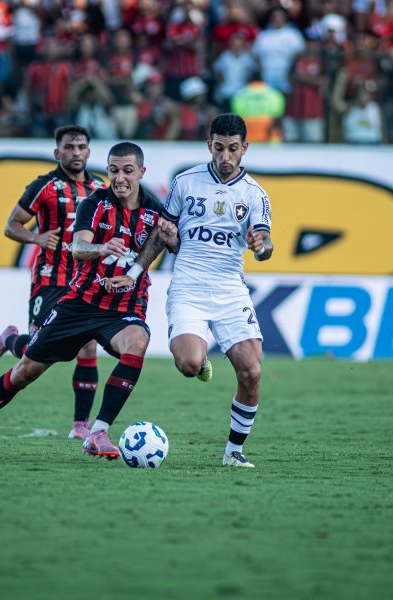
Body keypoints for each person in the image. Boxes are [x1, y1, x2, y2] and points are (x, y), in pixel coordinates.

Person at [0, 142, 176, 460]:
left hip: (123, 307)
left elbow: (161, 241)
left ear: (141, 172)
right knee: (24, 373)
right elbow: (78, 248)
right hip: (80, 303)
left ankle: (98, 430)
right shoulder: (95, 203)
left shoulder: (154, 209)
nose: (120, 178)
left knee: (137, 341)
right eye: (114, 170)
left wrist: (166, 243)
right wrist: (103, 248)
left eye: (128, 171)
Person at [106, 113, 273, 469]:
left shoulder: (255, 195)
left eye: (232, 149)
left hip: (230, 291)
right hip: (189, 288)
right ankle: (200, 358)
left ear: (244, 148)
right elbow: (163, 233)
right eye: (218, 148)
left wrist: (260, 246)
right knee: (188, 363)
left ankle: (234, 451)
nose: (225, 157)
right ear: (208, 145)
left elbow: (265, 245)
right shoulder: (185, 182)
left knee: (251, 372)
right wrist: (135, 271)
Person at [0, 126, 107, 441]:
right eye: (69, 147)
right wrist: (37, 237)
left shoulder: (99, 187)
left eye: (81, 146)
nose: (76, 152)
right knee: (38, 353)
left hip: (84, 282)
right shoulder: (44, 187)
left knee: (88, 344)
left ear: (89, 151)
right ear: (58, 153)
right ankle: (10, 339)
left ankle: (80, 424)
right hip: (50, 280)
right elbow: (11, 226)